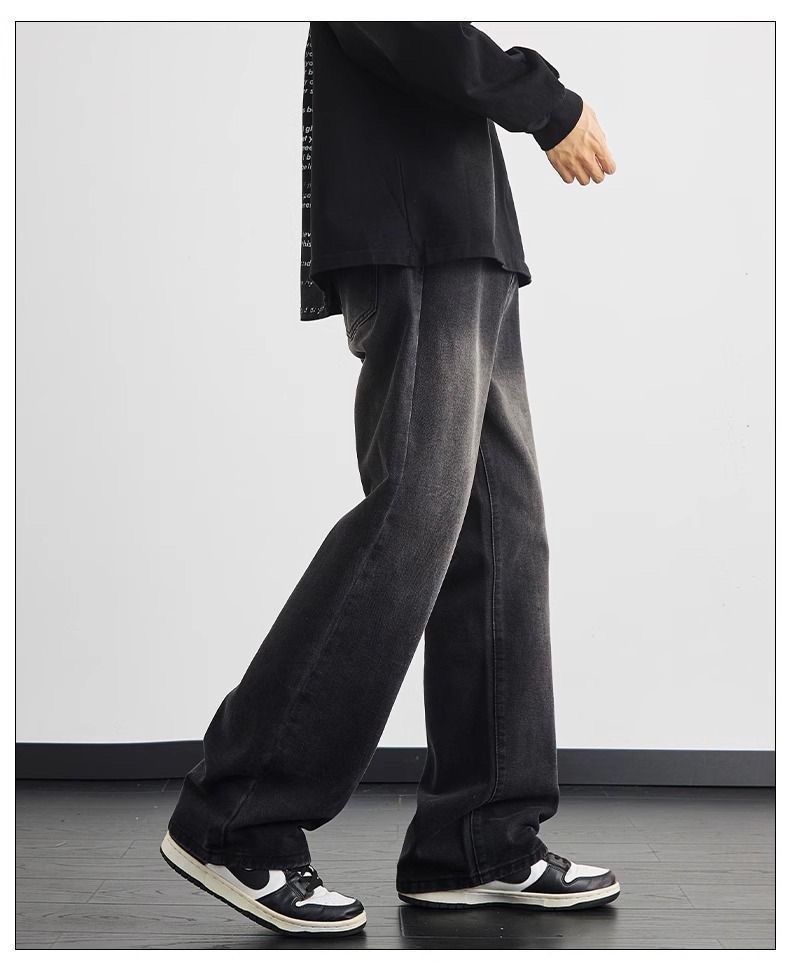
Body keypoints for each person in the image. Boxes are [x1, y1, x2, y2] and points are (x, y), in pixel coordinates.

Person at [160, 21, 619, 937]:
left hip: (467, 230)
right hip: (416, 224)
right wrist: (545, 101)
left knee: (502, 533)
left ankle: (478, 839)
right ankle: (236, 815)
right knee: (415, 511)